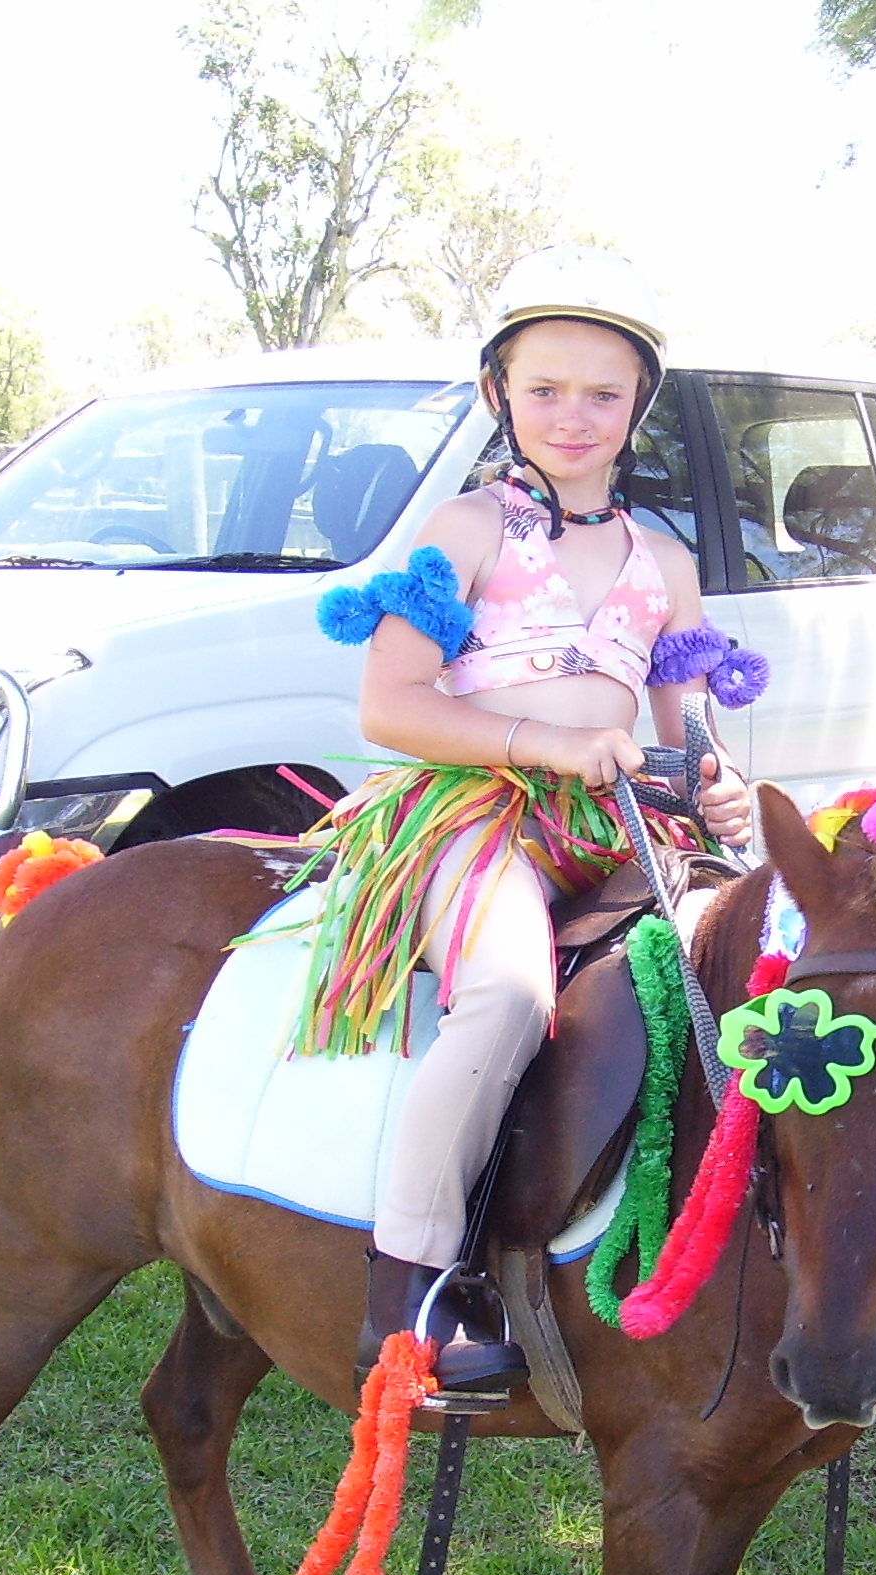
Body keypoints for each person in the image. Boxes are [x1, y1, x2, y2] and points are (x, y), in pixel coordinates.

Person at [307, 247, 766, 1393]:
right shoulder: (464, 534)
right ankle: (408, 1294)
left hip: (621, 829)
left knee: (734, 977)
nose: (573, 416)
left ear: (637, 408)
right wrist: (546, 743)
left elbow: (682, 731)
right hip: (472, 812)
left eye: (602, 394)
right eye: (544, 389)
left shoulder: (661, 561)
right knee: (507, 996)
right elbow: (388, 706)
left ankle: (692, 1230)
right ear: (496, 395)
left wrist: (711, 785)